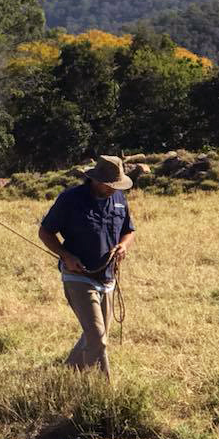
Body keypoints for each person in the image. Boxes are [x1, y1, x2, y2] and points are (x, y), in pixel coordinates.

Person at [38, 155, 135, 380]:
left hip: (108, 278)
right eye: (109, 184)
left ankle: (64, 376)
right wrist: (66, 255)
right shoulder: (70, 199)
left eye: (116, 185)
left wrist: (123, 245)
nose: (113, 189)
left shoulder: (119, 199)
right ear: (95, 179)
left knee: (93, 337)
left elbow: (129, 230)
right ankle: (104, 393)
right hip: (78, 276)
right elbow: (45, 232)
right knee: (98, 338)